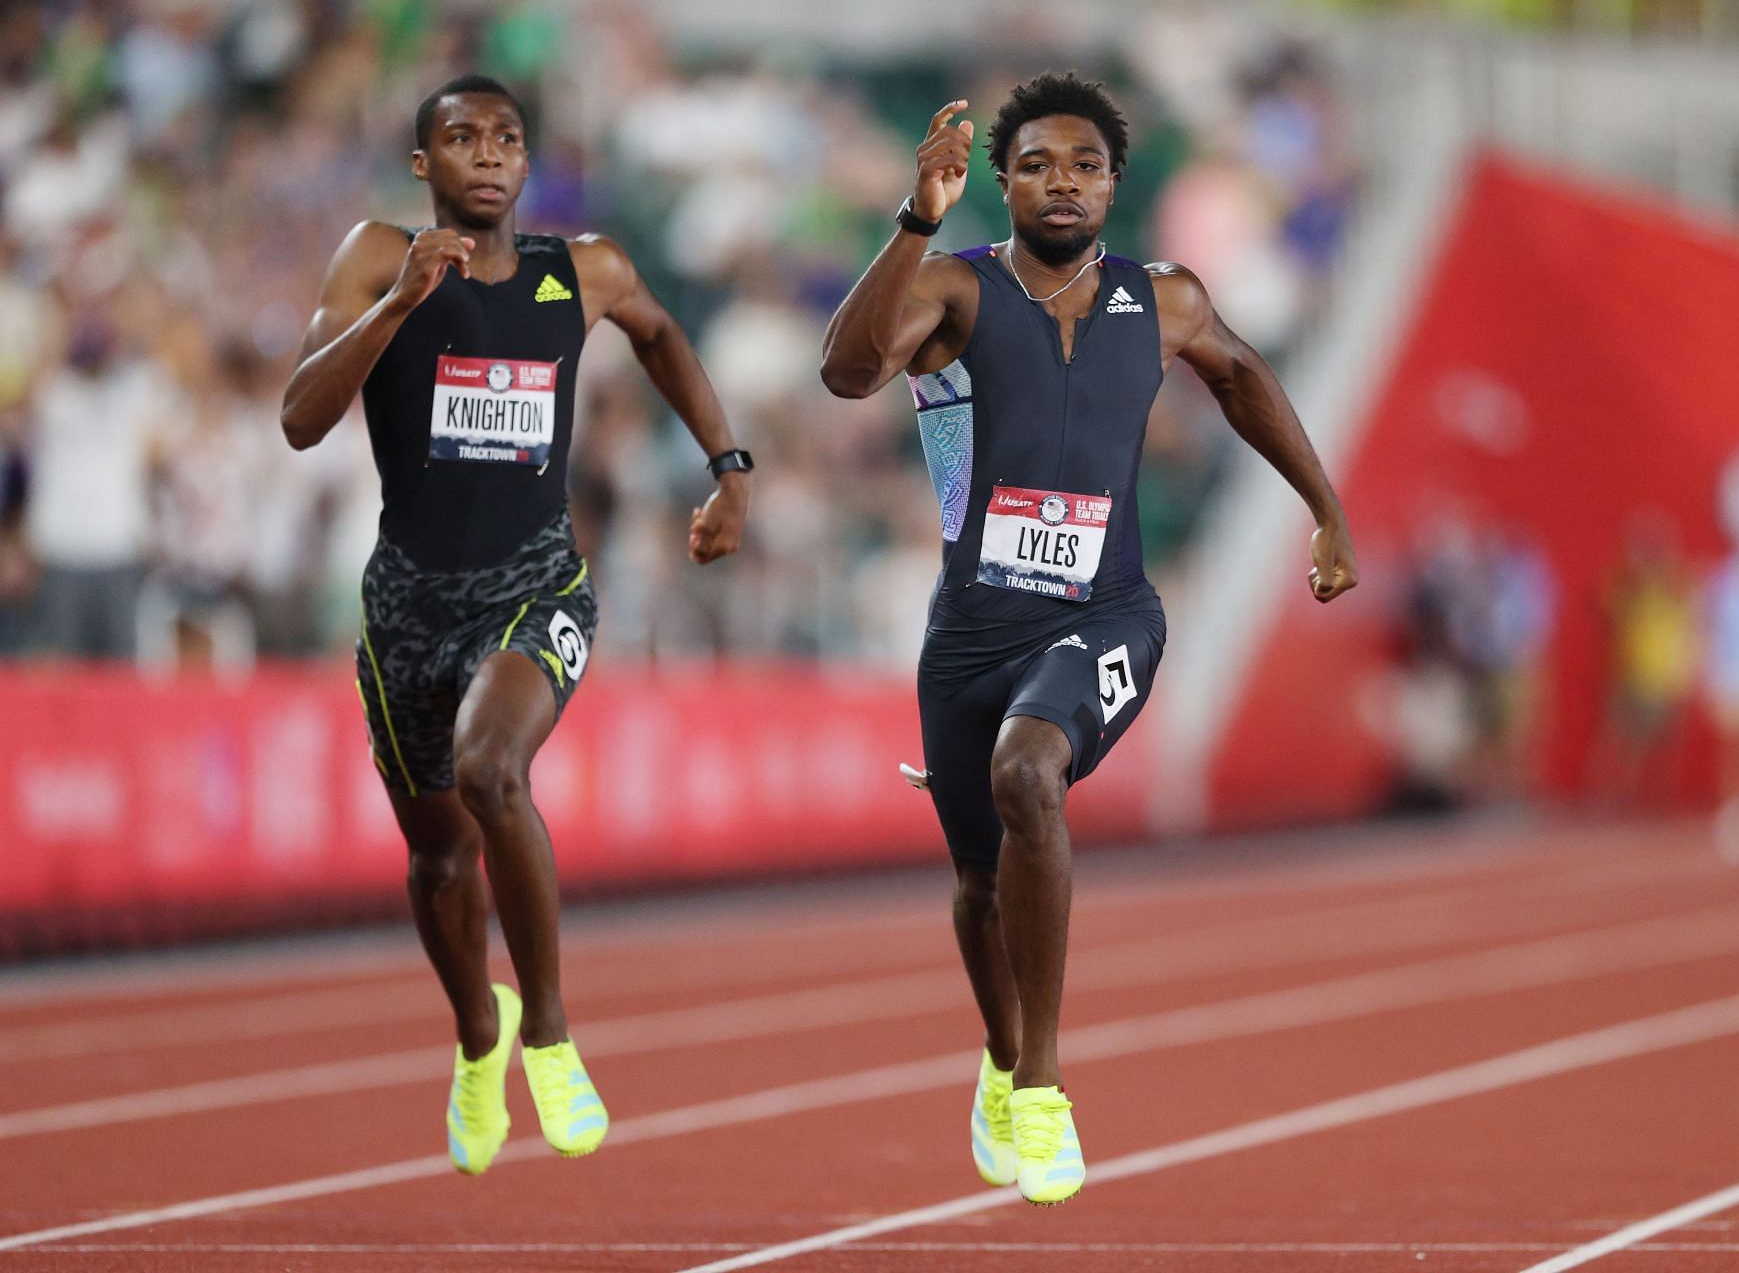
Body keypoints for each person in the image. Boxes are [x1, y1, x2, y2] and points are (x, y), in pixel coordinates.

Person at [820, 73, 1357, 1205]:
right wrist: (916, 214)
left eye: (1085, 165)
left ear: (1117, 183)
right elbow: (847, 371)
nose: (1062, 182)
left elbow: (1248, 381)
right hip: (970, 629)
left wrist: (1326, 507)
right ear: (1002, 181)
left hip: (1107, 613)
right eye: (1036, 165)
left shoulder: (1162, 300)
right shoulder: (951, 291)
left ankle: (1048, 1085)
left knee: (1031, 771)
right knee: (978, 880)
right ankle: (1006, 1056)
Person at [280, 76, 751, 1175]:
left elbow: (664, 336)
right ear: (422, 164)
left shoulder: (580, 270)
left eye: (506, 139)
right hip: (406, 603)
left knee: (493, 770)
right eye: (460, 139)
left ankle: (547, 1030)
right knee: (441, 859)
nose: (488, 156)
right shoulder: (371, 255)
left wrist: (728, 466)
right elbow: (301, 419)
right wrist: (397, 301)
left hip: (538, 583)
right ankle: (477, 1034)